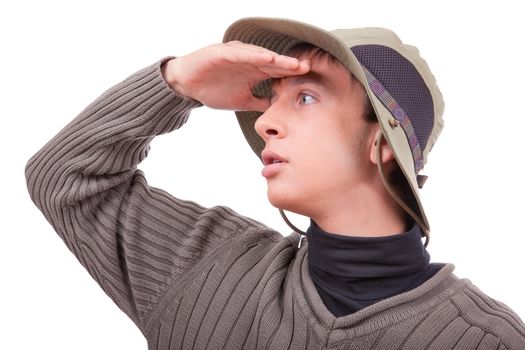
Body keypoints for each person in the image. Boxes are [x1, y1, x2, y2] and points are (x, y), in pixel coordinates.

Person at [25, 17, 525, 349]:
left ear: (384, 140)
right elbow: (66, 176)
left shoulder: (483, 341)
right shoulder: (205, 265)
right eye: (271, 101)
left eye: (305, 98)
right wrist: (176, 83)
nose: (264, 123)